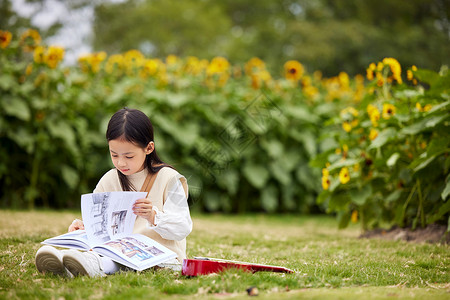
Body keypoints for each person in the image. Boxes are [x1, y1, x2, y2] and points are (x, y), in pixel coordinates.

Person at [35, 108, 193, 277]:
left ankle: (85, 266)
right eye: (114, 154)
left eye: (129, 156)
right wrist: (84, 227)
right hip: (116, 251)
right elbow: (101, 227)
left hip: (161, 258)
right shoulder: (109, 179)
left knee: (110, 261)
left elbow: (182, 228)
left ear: (148, 148)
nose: (121, 162)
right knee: (107, 256)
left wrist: (153, 216)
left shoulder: (169, 179)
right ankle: (69, 264)